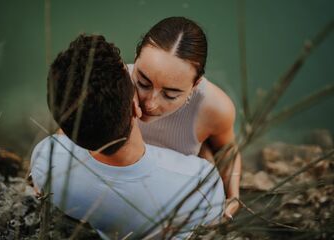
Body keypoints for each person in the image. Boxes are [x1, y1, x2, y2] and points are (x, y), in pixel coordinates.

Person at [30, 34, 225, 239]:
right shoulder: (201, 184)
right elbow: (212, 225)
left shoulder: (45, 160)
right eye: (139, 81)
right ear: (135, 106)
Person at [128, 16, 242, 220]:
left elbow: (227, 150)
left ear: (196, 84)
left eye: (170, 95)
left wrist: (233, 197)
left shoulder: (215, 108)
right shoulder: (114, 83)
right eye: (143, 83)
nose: (150, 104)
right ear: (135, 60)